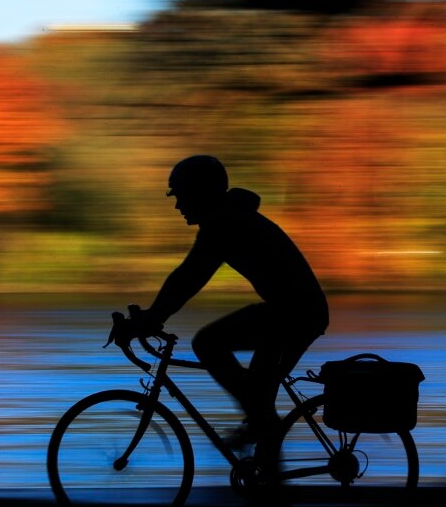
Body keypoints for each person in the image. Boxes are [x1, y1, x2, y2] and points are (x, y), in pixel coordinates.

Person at [126, 155, 329, 453]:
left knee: (209, 343)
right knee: (258, 401)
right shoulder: (229, 217)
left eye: (181, 195)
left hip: (294, 315)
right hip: (292, 312)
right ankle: (267, 481)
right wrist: (154, 316)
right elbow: (188, 276)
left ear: (200, 192)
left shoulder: (224, 223)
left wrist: (153, 317)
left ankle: (263, 441)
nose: (177, 205)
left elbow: (190, 276)